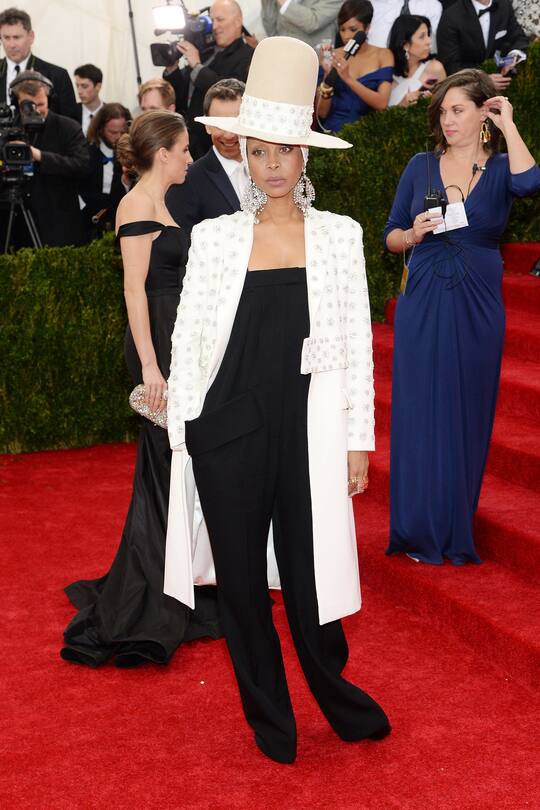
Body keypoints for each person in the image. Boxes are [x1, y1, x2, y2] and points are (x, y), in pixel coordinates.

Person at [164, 36, 390, 764]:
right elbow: (190, 340)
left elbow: (356, 341)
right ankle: (269, 716)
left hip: (308, 431)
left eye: (285, 153)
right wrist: (183, 431)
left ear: (305, 158)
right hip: (227, 429)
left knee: (308, 571)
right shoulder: (216, 239)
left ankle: (335, 695)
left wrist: (359, 438)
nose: (272, 166)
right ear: (245, 157)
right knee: (238, 582)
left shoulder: (339, 237)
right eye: (259, 152)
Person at [61, 110, 220, 667]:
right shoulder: (134, 205)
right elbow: (134, 291)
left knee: (173, 465)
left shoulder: (162, 204)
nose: (188, 158)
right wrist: (152, 369)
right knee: (162, 464)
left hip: (176, 338)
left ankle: (169, 581)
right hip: (155, 342)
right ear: (163, 154)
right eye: (183, 149)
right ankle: (146, 597)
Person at [384, 69, 540, 565]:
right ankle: (419, 528)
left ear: (483, 113)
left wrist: (510, 125)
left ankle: (455, 521)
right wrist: (412, 233)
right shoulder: (418, 165)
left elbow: (530, 182)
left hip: (479, 306)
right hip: (425, 298)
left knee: (468, 414)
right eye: (443, 111)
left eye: (459, 110)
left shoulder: (499, 169)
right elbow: (389, 234)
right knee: (421, 411)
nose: (448, 120)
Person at [7, 71, 90, 248]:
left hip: (58, 224)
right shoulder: (9, 129)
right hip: (15, 224)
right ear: (16, 104)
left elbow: (81, 165)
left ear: (49, 100)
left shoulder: (68, 127)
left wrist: (40, 156)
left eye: (41, 104)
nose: (36, 110)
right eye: (28, 105)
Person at [163, 0, 254, 159]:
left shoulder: (248, 55)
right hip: (188, 144)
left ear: (238, 20)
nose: (214, 26)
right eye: (212, 20)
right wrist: (172, 68)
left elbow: (230, 93)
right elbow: (182, 94)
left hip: (217, 146)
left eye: (220, 19)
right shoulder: (206, 52)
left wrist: (197, 66)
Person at [166, 79, 247, 236]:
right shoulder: (187, 181)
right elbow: (183, 249)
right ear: (207, 125)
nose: (229, 135)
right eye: (219, 124)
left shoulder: (270, 169)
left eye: (236, 123)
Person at [316, 0, 394, 132]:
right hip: (333, 131)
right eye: (342, 29)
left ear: (367, 27)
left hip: (368, 134)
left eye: (353, 29)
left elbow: (382, 103)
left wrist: (348, 79)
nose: (346, 36)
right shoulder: (332, 56)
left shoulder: (383, 55)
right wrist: (327, 78)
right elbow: (322, 113)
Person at [0, 7, 78, 119]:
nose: (12, 45)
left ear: (31, 37)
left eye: (17, 37)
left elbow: (71, 125)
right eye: (6, 38)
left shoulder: (57, 76)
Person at [437, 0, 529, 90]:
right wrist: (481, 80)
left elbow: (519, 38)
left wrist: (512, 59)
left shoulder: (504, 5)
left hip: (504, 82)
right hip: (467, 89)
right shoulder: (451, 16)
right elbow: (450, 64)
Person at [79, 103, 131, 238]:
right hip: (90, 222)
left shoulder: (129, 154)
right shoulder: (87, 153)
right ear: (100, 129)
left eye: (122, 132)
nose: (118, 137)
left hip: (120, 221)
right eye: (113, 132)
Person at [387, 14, 446, 107]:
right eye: (422, 37)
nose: (429, 41)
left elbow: (446, 104)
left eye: (428, 35)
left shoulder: (435, 69)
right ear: (405, 44)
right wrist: (402, 105)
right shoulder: (386, 73)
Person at [261, 0, 343, 49]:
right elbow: (272, 32)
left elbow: (313, 22)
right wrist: (267, 2)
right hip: (283, 54)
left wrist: (284, 2)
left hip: (315, 61)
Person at [368, 0, 442, 50]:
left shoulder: (433, 5)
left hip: (420, 68)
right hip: (377, 66)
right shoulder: (369, 5)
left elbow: (434, 48)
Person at [74, 64, 104, 136]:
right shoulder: (70, 113)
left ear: (98, 86)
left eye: (84, 86)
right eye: (77, 86)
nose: (79, 91)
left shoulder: (111, 113)